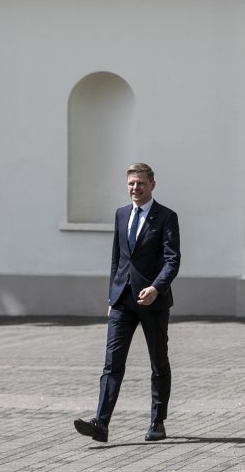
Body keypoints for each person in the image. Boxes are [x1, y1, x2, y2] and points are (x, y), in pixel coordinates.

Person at [74, 163, 181, 442]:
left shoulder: (166, 217)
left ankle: (157, 422)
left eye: (141, 183)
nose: (135, 188)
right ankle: (101, 422)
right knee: (112, 363)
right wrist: (112, 296)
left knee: (158, 363)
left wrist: (157, 288)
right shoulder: (121, 215)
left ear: (152, 185)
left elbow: (172, 260)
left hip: (153, 303)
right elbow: (116, 259)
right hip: (122, 300)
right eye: (132, 183)